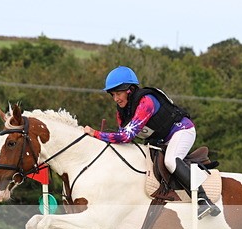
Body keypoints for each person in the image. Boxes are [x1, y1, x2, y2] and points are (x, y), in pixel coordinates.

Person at [84, 66, 220, 219]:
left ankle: (203, 199)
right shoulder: (121, 111)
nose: (116, 99)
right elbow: (121, 138)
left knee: (170, 161)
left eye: (118, 93)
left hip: (182, 131)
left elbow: (126, 136)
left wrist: (95, 134)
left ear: (130, 90)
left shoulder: (146, 102)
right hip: (161, 140)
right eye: (113, 94)